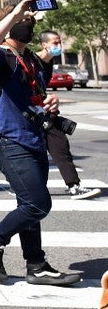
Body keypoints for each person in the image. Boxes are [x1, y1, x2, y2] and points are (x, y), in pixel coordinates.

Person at [0, 1, 82, 287]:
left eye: (31, 21)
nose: (28, 24)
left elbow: (37, 93)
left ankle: (36, 264)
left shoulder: (31, 59)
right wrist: (14, 14)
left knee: (28, 204)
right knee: (37, 204)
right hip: (11, 141)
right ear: (8, 24)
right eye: (23, 19)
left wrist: (51, 101)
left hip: (35, 138)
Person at [35, 30, 99, 200]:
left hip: (45, 113)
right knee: (33, 154)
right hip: (29, 114)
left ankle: (74, 186)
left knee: (61, 146)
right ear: (44, 45)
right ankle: (30, 189)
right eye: (55, 43)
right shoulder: (32, 61)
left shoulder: (49, 62)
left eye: (60, 42)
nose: (59, 46)